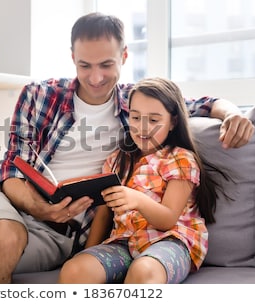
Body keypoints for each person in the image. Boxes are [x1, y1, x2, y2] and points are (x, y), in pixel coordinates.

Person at [0, 12, 255, 283]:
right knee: (4, 235)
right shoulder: (40, 95)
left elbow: (193, 105)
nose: (96, 77)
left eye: (106, 65)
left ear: (125, 57)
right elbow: (13, 170)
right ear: (72, 57)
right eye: (85, 65)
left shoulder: (136, 103)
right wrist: (40, 208)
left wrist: (232, 113)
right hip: (4, 196)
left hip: (57, 227)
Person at [58, 77, 218, 284]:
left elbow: (168, 218)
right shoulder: (116, 161)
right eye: (135, 117)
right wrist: (89, 253)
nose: (142, 128)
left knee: (143, 271)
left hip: (171, 241)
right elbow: (104, 214)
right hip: (123, 243)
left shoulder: (180, 159)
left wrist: (138, 200)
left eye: (153, 120)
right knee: (75, 270)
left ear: (173, 122)